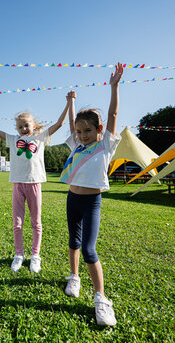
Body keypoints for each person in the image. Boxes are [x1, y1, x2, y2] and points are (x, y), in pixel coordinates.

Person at [0, 100, 71, 273]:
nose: (23, 129)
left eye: (26, 125)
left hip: (34, 184)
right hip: (17, 185)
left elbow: (60, 124)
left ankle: (35, 256)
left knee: (36, 222)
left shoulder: (40, 138)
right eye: (20, 127)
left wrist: (69, 103)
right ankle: (19, 255)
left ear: (34, 125)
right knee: (17, 223)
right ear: (17, 129)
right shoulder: (13, 139)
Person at [60, 63, 124, 327]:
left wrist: (115, 86)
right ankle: (74, 278)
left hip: (91, 202)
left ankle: (101, 299)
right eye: (79, 131)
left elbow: (113, 114)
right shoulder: (77, 143)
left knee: (88, 248)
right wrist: (71, 102)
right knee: (73, 243)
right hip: (72, 199)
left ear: (98, 130)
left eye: (88, 131)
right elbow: (74, 120)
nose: (83, 136)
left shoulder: (105, 144)